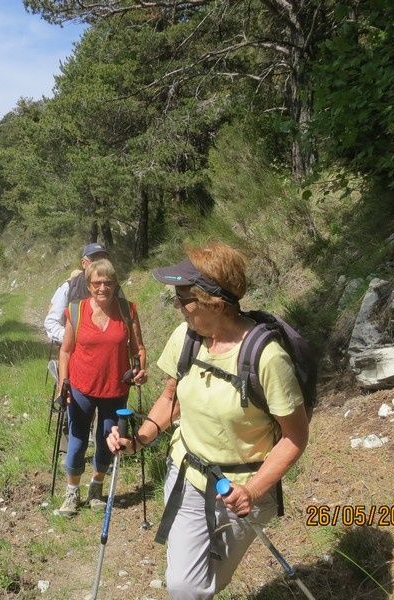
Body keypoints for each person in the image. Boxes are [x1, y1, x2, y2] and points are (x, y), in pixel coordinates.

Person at [107, 241, 308, 599]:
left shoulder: (266, 358)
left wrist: (252, 491)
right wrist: (138, 438)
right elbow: (171, 398)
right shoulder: (187, 338)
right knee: (185, 587)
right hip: (187, 477)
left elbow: (294, 438)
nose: (177, 306)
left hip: (241, 492)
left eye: (185, 299)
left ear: (216, 303)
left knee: (205, 583)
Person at [55, 258, 147, 516]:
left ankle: (96, 489)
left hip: (116, 389)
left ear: (115, 284)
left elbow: (138, 348)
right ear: (88, 284)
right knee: (76, 442)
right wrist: (65, 382)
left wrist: (140, 371)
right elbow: (65, 350)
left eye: (108, 282)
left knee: (108, 441)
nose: (103, 287)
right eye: (97, 283)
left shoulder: (128, 310)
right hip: (81, 386)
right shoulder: (77, 310)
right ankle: (71, 493)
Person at [44, 242, 110, 345]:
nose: (99, 264)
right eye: (94, 260)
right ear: (83, 263)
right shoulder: (69, 287)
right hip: (75, 353)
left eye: (102, 260)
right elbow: (51, 322)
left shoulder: (113, 288)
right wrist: (71, 337)